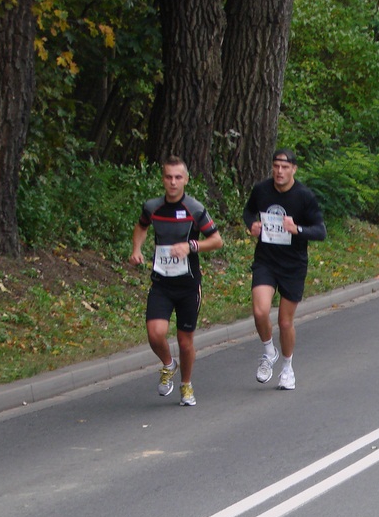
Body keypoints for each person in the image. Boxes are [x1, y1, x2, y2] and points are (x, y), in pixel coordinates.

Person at [129, 156, 223, 406]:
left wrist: (191, 246)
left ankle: (186, 385)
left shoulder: (195, 209)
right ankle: (168, 364)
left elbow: (216, 240)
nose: (173, 182)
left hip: (188, 284)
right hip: (161, 282)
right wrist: (137, 249)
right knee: (155, 333)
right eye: (168, 177)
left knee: (185, 341)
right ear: (163, 179)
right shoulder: (153, 207)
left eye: (178, 177)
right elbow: (141, 227)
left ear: (186, 180)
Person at [243, 149, 326, 391]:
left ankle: (287, 368)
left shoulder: (304, 196)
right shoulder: (261, 190)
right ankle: (269, 351)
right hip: (266, 260)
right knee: (260, 312)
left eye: (285, 167)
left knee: (285, 322)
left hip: (293, 264)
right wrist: (252, 225)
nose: (279, 171)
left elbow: (320, 231)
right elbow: (248, 211)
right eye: (276, 166)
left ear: (294, 169)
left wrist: (297, 229)